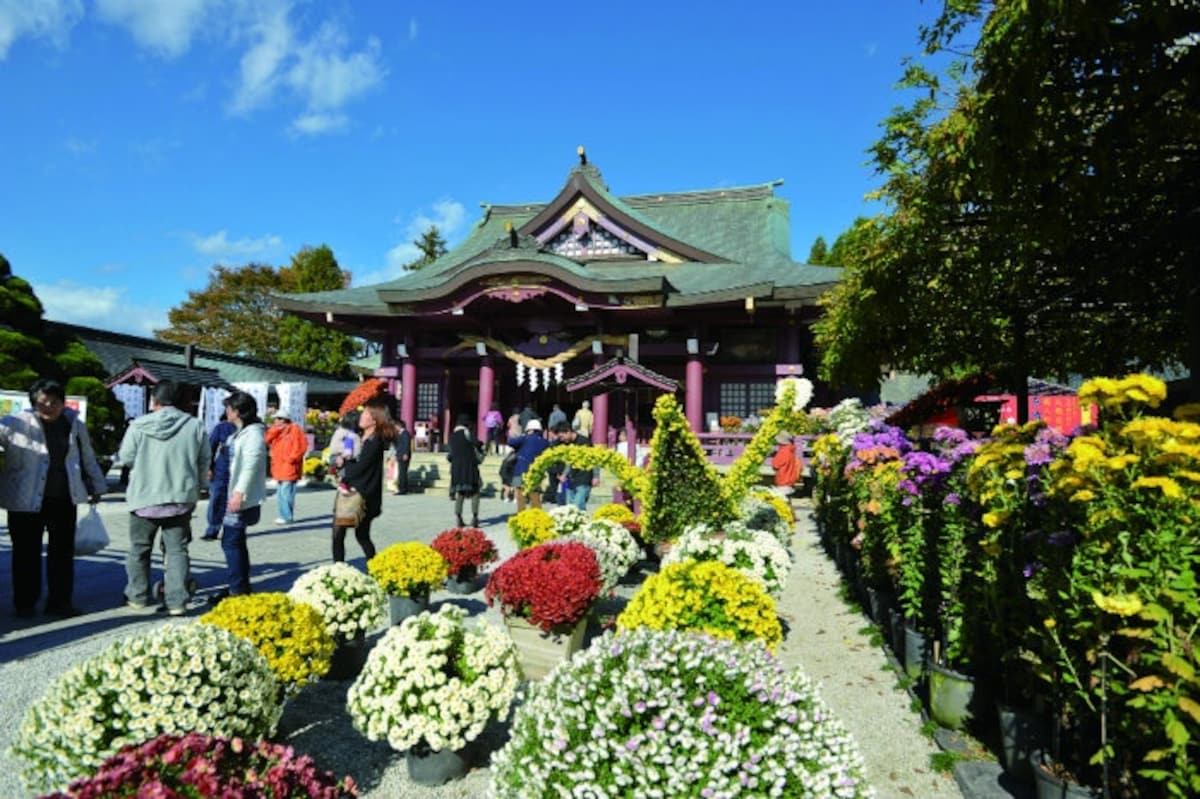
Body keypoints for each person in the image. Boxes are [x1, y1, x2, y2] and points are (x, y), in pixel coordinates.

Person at [0, 377, 107, 618]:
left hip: (63, 498)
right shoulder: (13, 423)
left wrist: (97, 485)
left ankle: (60, 602)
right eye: (43, 402)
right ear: (33, 403)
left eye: (55, 402)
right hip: (24, 501)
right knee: (25, 555)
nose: (49, 407)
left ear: (62, 402)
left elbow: (87, 456)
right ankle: (25, 603)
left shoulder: (74, 424)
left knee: (62, 554)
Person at [118, 380, 210, 615]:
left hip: (144, 497)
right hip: (180, 497)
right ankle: (177, 601)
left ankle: (137, 596)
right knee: (177, 550)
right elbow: (203, 462)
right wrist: (200, 487)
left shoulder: (138, 425)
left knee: (139, 549)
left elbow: (126, 457)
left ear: (154, 401)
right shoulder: (195, 425)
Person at [212, 392, 267, 602]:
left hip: (238, 496)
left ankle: (237, 588)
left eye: (229, 408)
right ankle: (240, 584)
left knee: (231, 541)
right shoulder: (242, 431)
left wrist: (239, 492)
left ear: (238, 411)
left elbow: (251, 464)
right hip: (231, 492)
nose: (226, 412)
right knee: (236, 541)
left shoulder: (253, 433)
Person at [332, 398, 397, 562]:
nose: (361, 416)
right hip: (355, 491)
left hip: (361, 495)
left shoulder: (374, 442)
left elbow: (360, 469)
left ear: (374, 419)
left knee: (342, 531)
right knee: (358, 534)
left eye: (365, 414)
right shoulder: (360, 437)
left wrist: (344, 465)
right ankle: (369, 565)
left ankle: (341, 567)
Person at [264, 410, 307, 525]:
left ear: (284, 419)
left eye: (278, 419)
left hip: (289, 466)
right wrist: (275, 430)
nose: (275, 421)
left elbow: (301, 447)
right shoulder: (277, 431)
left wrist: (291, 459)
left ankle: (287, 516)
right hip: (278, 466)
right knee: (281, 492)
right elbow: (267, 439)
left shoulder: (295, 430)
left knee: (286, 492)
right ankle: (284, 515)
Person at [201, 415, 237, 541]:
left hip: (239, 469)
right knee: (217, 498)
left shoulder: (250, 429)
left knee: (235, 500)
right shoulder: (222, 427)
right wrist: (209, 467)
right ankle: (213, 529)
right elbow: (210, 447)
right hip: (221, 468)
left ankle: (231, 529)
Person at [447, 413, 484, 527]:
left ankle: (458, 517)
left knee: (461, 493)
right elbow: (477, 443)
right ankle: (475, 517)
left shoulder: (452, 436)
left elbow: (451, 453)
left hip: (456, 468)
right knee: (475, 492)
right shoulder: (467, 432)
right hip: (469, 466)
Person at [552, 421, 600, 510]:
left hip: (583, 479)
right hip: (570, 480)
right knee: (570, 509)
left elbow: (595, 459)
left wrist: (596, 476)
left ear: (569, 431)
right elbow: (569, 462)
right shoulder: (566, 444)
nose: (561, 439)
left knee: (578, 506)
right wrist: (563, 475)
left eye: (562, 436)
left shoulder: (584, 442)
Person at [507, 418, 551, 512]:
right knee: (535, 496)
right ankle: (537, 516)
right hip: (536, 471)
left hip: (521, 470)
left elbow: (510, 442)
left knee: (520, 496)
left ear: (530, 430)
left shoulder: (525, 438)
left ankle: (521, 516)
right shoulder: (544, 442)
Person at [391, 418, 412, 495]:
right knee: (401, 472)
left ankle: (402, 489)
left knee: (402, 473)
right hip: (400, 455)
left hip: (403, 455)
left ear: (399, 425)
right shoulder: (400, 434)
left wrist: (405, 454)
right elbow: (398, 446)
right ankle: (403, 488)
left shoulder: (405, 433)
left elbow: (407, 444)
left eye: (395, 426)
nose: (395, 427)